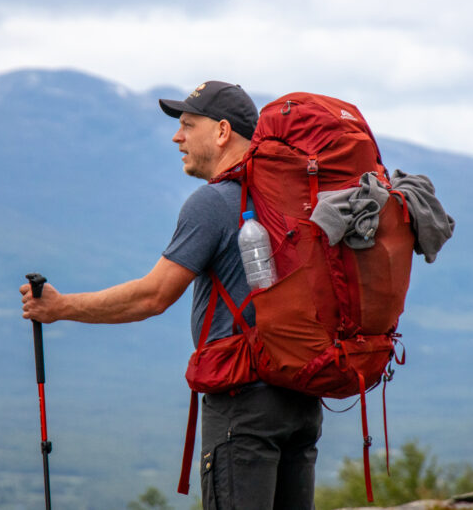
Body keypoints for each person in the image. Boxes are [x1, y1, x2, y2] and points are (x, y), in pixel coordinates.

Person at [20, 80, 323, 509]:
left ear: (221, 131)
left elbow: (153, 296)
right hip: (300, 399)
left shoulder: (214, 203)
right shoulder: (291, 199)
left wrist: (60, 307)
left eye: (186, 125)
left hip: (243, 405)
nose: (177, 136)